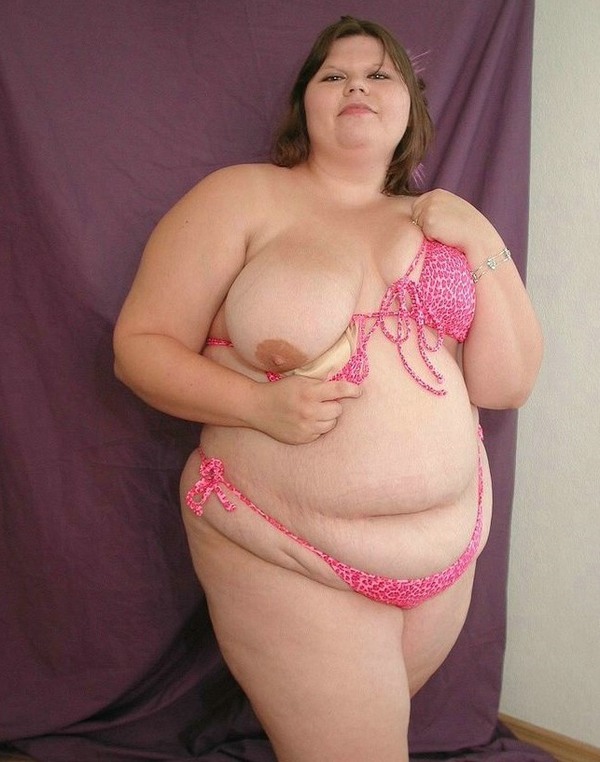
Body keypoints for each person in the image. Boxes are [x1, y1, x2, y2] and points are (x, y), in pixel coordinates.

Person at [113, 15, 543, 762]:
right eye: (334, 75)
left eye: (379, 75)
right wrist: (256, 405)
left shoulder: (441, 222)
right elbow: (139, 348)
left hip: (446, 549)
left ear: (409, 105)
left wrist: (481, 236)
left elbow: (506, 384)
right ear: (304, 103)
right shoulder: (242, 197)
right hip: (282, 541)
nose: (357, 87)